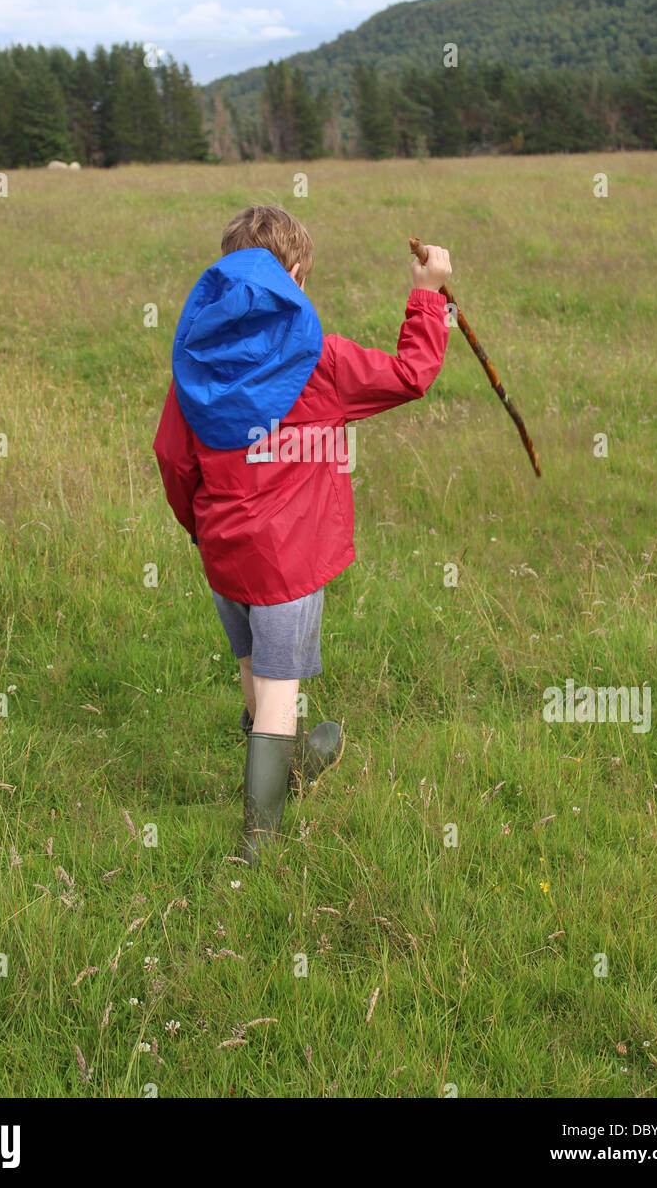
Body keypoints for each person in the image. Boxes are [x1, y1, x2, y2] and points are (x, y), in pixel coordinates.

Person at [154, 204, 451, 864]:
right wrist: (427, 296)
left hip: (224, 554)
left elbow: (173, 458)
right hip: (287, 564)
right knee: (281, 689)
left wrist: (200, 530)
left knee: (251, 668)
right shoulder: (321, 360)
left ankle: (287, 762)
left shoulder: (196, 368)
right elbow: (411, 375)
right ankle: (259, 839)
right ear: (293, 274)